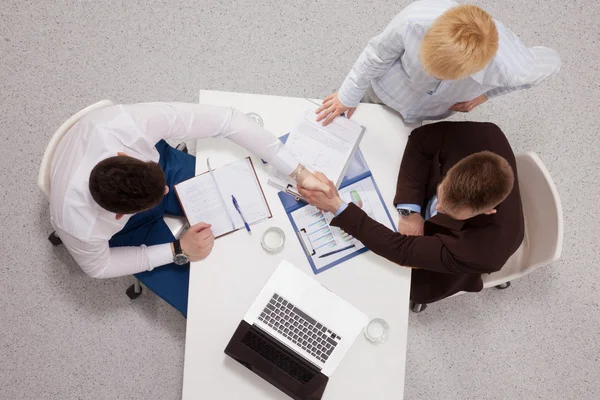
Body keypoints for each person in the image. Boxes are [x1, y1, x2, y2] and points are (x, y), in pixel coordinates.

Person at [49, 102, 330, 316]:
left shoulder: (127, 125)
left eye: (162, 188)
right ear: (120, 215)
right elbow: (98, 266)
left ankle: (158, 175)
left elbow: (226, 120)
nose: (168, 193)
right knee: (208, 303)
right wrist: (177, 250)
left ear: (126, 155)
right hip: (130, 233)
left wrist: (298, 171)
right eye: (161, 195)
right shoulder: (79, 224)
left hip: (162, 168)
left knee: (251, 196)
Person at [298, 121, 524, 306]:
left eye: (449, 211)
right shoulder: (484, 134)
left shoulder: (484, 250)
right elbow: (420, 139)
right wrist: (410, 211)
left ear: (488, 211)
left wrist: (336, 206)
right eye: (441, 194)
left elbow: (401, 251)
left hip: (440, 265)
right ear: (456, 166)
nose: (437, 209)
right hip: (415, 212)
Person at [316, 0, 561, 125]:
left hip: (432, 110)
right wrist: (347, 95)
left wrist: (485, 96)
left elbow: (552, 62)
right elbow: (376, 55)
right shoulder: (415, 19)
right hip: (384, 89)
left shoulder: (515, 67)